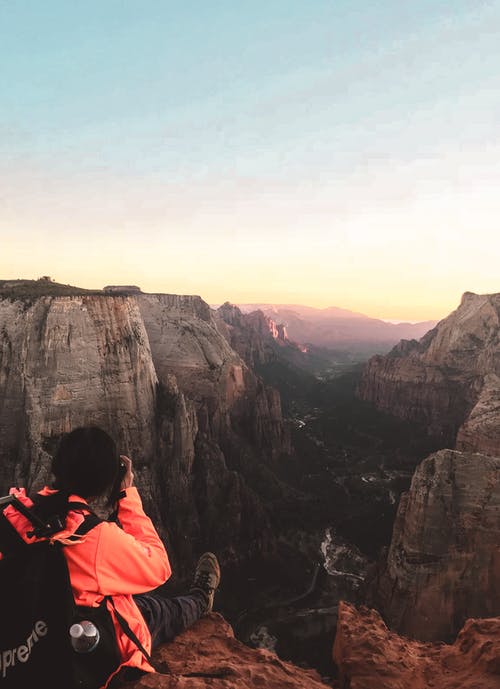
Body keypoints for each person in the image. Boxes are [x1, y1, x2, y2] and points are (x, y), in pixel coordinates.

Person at [2, 426, 220, 687]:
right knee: (153, 609)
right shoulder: (95, 538)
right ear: (106, 482)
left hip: (14, 639)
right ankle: (200, 598)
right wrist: (126, 498)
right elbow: (159, 567)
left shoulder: (9, 512)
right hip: (70, 648)